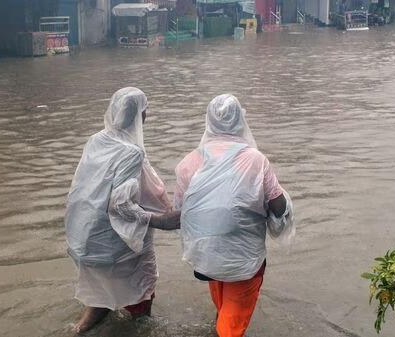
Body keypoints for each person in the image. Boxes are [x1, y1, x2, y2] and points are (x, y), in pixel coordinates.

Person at [174, 94, 294, 337]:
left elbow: (181, 212)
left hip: (205, 259)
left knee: (223, 301)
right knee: (230, 329)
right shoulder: (255, 160)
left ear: (208, 122)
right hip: (244, 261)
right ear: (241, 120)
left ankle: (222, 320)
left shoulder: (189, 162)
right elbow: (278, 206)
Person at [65, 87, 180, 334]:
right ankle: (139, 328)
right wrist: (160, 220)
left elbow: (82, 189)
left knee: (101, 292)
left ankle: (80, 329)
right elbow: (119, 203)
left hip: (87, 237)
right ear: (142, 116)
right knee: (141, 290)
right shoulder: (131, 152)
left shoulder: (96, 140)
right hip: (117, 243)